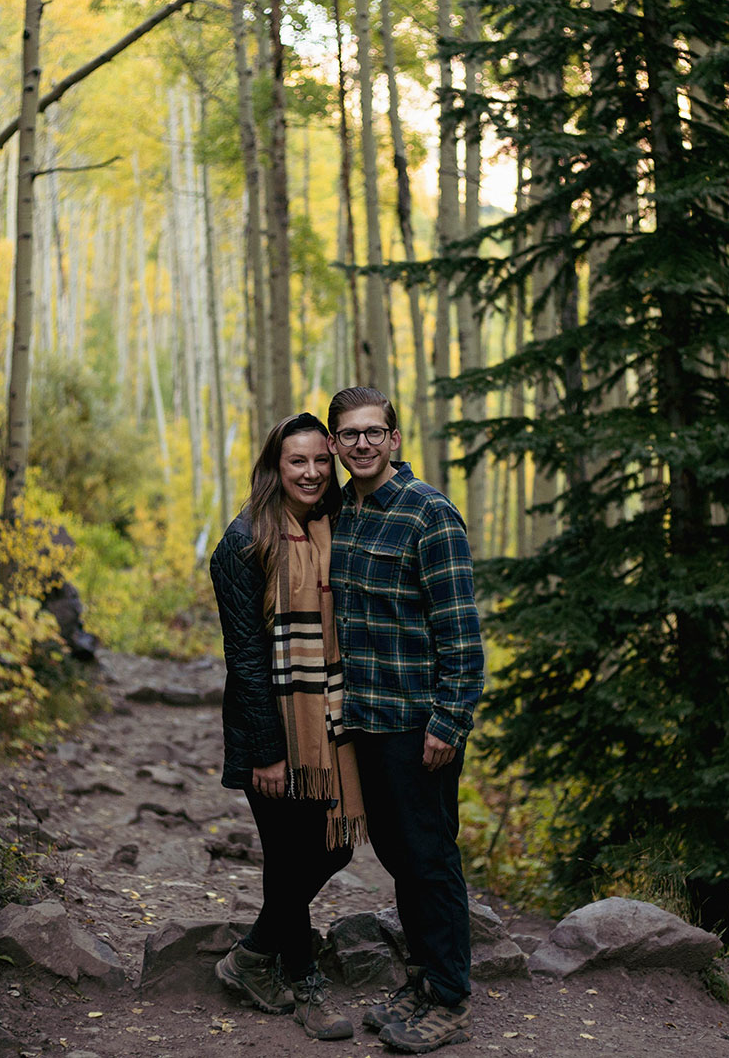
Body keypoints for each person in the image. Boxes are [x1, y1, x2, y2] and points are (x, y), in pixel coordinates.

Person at [326, 387, 484, 1054]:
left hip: (418, 725)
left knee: (429, 858)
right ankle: (421, 978)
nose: (361, 444)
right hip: (364, 719)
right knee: (396, 856)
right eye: (348, 434)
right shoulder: (343, 512)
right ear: (335, 444)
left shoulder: (430, 515)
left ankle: (450, 996)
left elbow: (462, 635)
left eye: (373, 432)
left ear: (393, 438)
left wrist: (449, 721)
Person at [208, 412, 366, 1042]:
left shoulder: (337, 527)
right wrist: (269, 754)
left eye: (320, 460)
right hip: (268, 727)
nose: (311, 472)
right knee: (291, 853)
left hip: (329, 725)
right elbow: (243, 655)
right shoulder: (244, 541)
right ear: (276, 468)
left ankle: (250, 957)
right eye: (296, 461)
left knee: (335, 846)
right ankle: (304, 982)